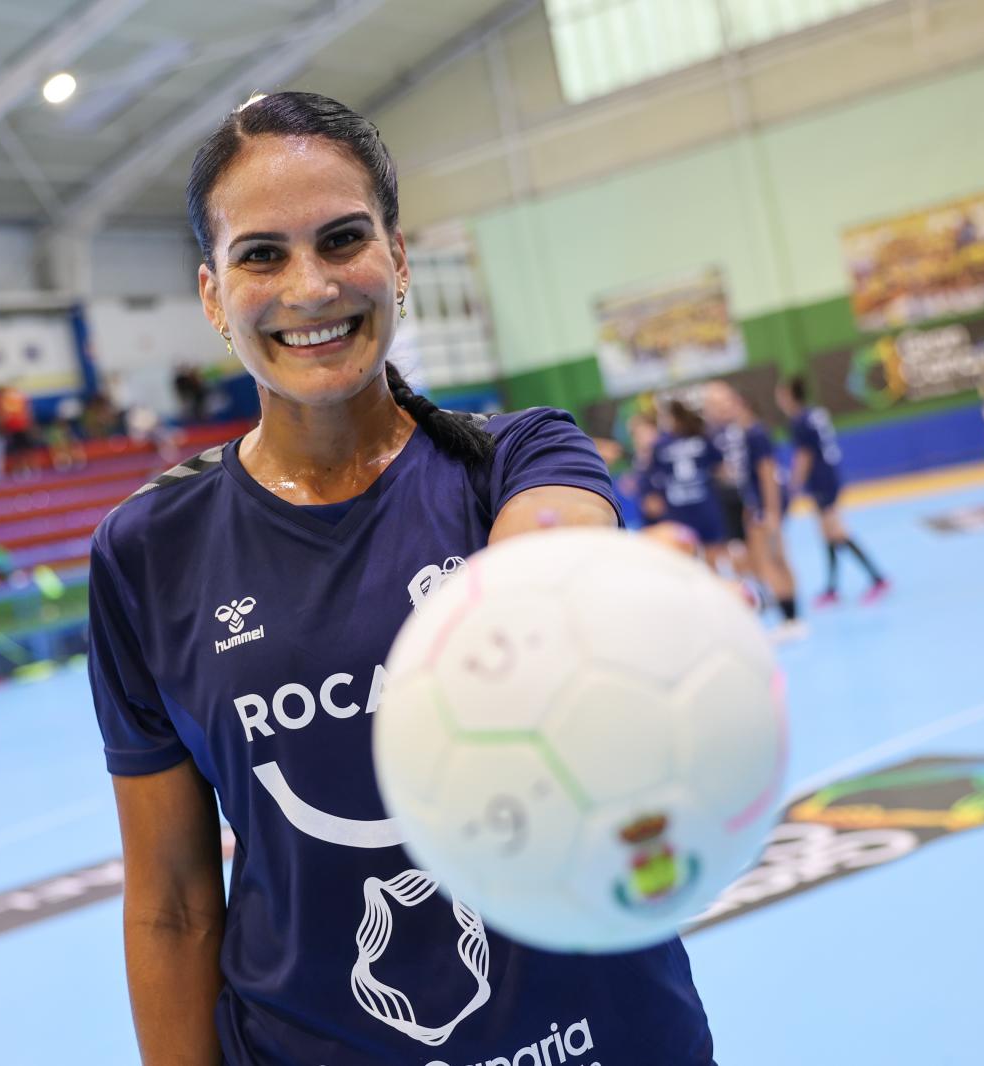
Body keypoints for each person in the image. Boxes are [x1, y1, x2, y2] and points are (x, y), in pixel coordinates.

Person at [87, 92, 714, 1066]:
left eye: (343, 240)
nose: (309, 286)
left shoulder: (517, 455)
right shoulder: (147, 552)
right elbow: (169, 905)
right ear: (212, 295)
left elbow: (546, 560)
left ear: (399, 260)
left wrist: (613, 596)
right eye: (261, 255)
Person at [775, 376, 888, 605]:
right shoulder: (815, 413)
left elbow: (804, 455)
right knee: (827, 534)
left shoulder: (799, 421)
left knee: (836, 532)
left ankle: (877, 579)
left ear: (789, 395)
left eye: (781, 394)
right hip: (829, 476)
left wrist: (794, 485)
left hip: (821, 481)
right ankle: (832, 588)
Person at [706, 382, 804, 640]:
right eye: (715, 406)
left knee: (770, 561)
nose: (721, 410)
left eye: (725, 403)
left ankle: (790, 619)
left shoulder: (753, 433)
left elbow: (767, 471)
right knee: (771, 560)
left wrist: (769, 511)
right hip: (757, 505)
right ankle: (792, 617)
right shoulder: (733, 434)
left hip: (763, 506)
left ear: (739, 402)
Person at [640, 399, 727, 571]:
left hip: (679, 512)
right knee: (711, 564)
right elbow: (721, 469)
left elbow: (652, 479)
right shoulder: (702, 437)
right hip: (705, 507)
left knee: (687, 566)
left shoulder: (661, 446)